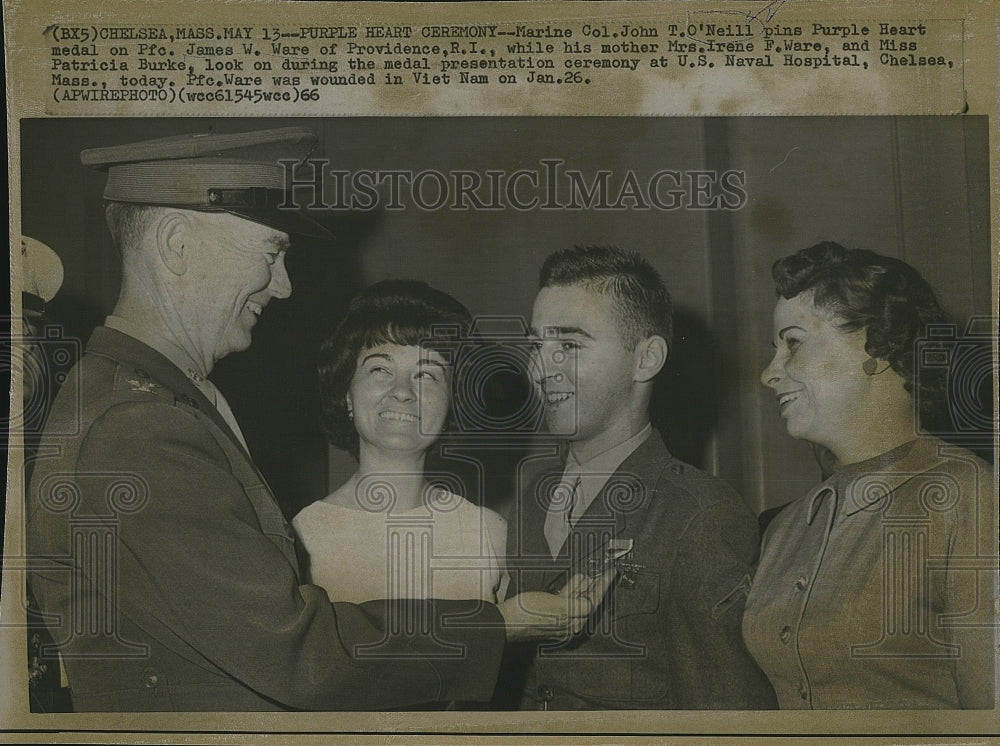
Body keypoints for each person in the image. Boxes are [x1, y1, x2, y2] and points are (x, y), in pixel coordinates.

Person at [25, 127, 610, 712]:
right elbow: (298, 654)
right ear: (177, 244)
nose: (283, 285)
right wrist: (499, 629)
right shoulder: (141, 426)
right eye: (271, 253)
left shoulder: (142, 401)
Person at [507, 245, 776, 710]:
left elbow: (727, 722)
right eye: (537, 346)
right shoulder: (531, 498)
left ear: (646, 359)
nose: (539, 370)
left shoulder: (699, 513)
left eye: (568, 346)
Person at [744, 241, 997, 709]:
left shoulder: (970, 498)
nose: (769, 374)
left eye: (793, 344)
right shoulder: (783, 529)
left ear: (875, 346)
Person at [293, 280, 508, 605]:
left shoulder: (489, 534)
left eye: (427, 374)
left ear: (453, 402)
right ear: (347, 394)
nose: (403, 391)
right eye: (380, 369)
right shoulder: (301, 537)